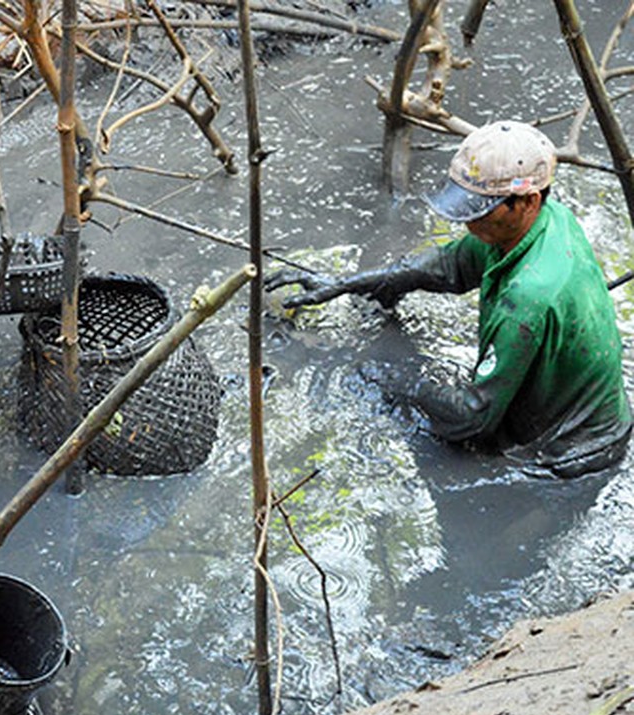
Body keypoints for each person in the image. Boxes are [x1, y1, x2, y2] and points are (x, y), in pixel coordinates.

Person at [266, 120, 631, 477]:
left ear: (527, 201)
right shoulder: (548, 220)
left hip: (566, 455)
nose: (468, 223)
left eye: (480, 210)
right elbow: (450, 264)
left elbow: (473, 417)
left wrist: (405, 385)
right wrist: (346, 283)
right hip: (590, 414)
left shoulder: (526, 299)